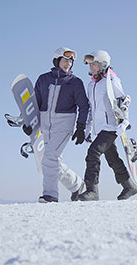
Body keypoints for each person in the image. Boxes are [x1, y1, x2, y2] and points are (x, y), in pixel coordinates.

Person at [78, 50, 137, 201]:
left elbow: (123, 101)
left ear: (103, 64)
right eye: (90, 64)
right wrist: (88, 129)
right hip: (100, 128)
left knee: (93, 152)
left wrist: (125, 122)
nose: (91, 67)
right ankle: (129, 186)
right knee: (112, 158)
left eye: (94, 64)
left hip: (111, 126)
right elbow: (92, 108)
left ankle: (92, 190)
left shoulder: (112, 81)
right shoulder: (91, 84)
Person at [33, 47, 89, 203]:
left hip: (64, 125)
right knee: (53, 160)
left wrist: (81, 126)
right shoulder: (43, 79)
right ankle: (76, 185)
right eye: (65, 60)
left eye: (71, 61)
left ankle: (50, 195)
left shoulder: (75, 82)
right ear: (57, 61)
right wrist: (29, 123)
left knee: (49, 158)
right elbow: (35, 103)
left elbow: (83, 106)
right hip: (46, 125)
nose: (68, 64)